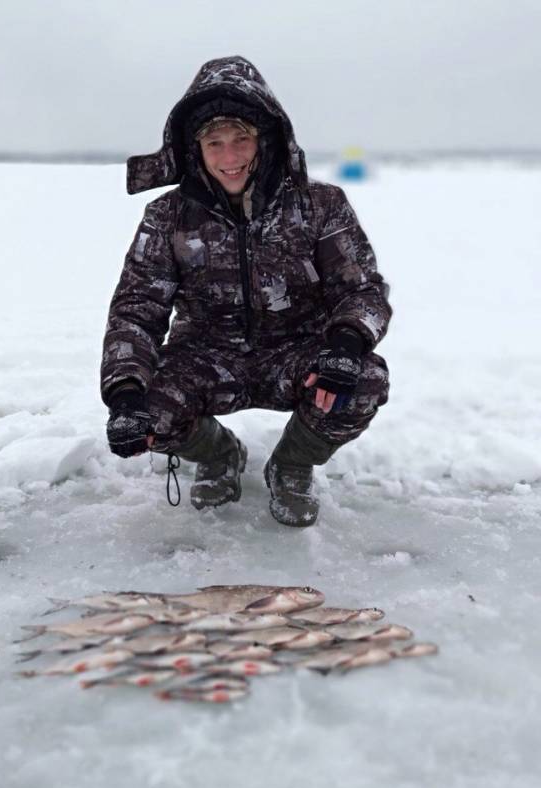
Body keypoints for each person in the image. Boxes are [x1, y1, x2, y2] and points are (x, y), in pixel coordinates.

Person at [101, 55, 391, 527]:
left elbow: (361, 290)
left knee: (362, 380)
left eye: (241, 139)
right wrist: (125, 390)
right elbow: (138, 308)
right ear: (196, 149)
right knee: (148, 408)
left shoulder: (321, 204)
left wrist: (345, 343)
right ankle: (218, 455)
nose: (230, 157)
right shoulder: (166, 216)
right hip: (205, 354)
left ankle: (292, 465)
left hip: (295, 352)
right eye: (215, 142)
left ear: (265, 139)